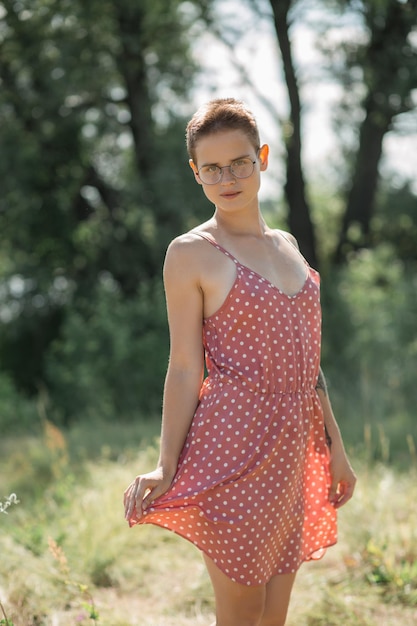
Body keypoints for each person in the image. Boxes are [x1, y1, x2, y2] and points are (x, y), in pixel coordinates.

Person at [124, 97, 356, 626]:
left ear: (263, 158)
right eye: (212, 167)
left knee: (274, 614)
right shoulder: (191, 253)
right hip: (233, 447)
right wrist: (166, 461)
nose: (227, 177)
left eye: (239, 162)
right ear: (196, 172)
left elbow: (310, 365)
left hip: (295, 449)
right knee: (242, 612)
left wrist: (334, 450)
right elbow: (184, 366)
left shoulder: (289, 246)